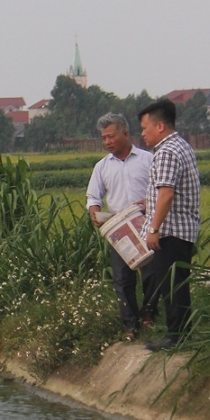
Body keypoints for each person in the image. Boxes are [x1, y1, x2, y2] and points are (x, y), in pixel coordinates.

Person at [138, 98, 200, 351]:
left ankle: (175, 337)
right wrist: (149, 200)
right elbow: (166, 191)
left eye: (145, 128)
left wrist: (154, 229)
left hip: (171, 231)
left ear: (160, 126)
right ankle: (181, 334)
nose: (143, 134)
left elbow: (167, 194)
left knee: (171, 286)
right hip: (184, 229)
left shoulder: (165, 152)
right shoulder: (181, 146)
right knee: (178, 284)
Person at [86, 113, 153, 339]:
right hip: (118, 230)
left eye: (111, 136)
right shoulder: (102, 167)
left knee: (151, 273)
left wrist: (147, 202)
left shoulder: (148, 160)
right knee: (123, 279)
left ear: (125, 134)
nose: (107, 142)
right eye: (103, 138)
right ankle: (130, 326)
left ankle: (149, 315)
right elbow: (93, 197)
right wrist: (94, 212)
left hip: (145, 224)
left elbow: (161, 190)